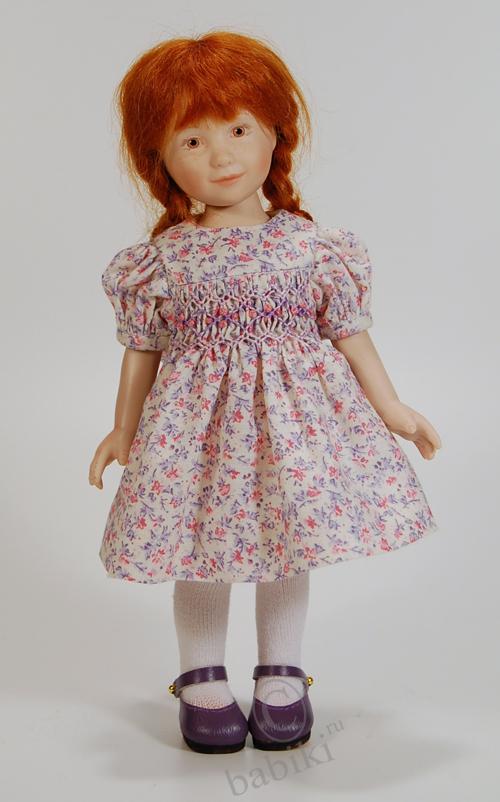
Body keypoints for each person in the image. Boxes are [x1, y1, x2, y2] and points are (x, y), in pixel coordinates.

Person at [88, 30, 442, 754]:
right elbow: (142, 348)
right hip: (198, 432)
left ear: (276, 134)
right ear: (160, 159)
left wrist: (392, 408)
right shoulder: (161, 261)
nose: (220, 155)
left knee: (288, 540)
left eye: (239, 129)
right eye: (191, 140)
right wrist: (124, 428)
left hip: (295, 426)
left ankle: (282, 674)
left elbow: (348, 333)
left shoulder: (313, 247)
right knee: (198, 544)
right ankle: (201, 677)